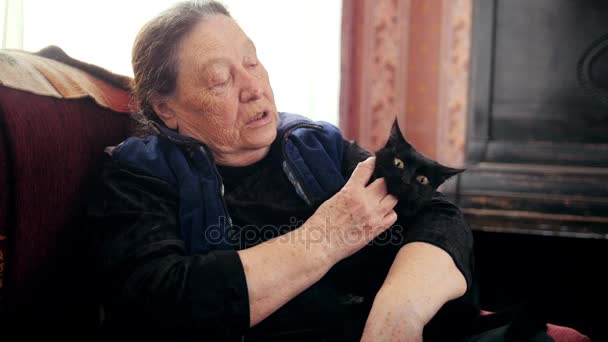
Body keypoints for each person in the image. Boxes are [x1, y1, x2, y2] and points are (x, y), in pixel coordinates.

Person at [86, 1, 477, 341]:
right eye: (220, 79)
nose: (253, 86)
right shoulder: (138, 175)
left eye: (252, 62)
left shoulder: (314, 144)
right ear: (165, 109)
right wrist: (324, 238)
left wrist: (397, 315)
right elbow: (160, 302)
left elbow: (437, 214)